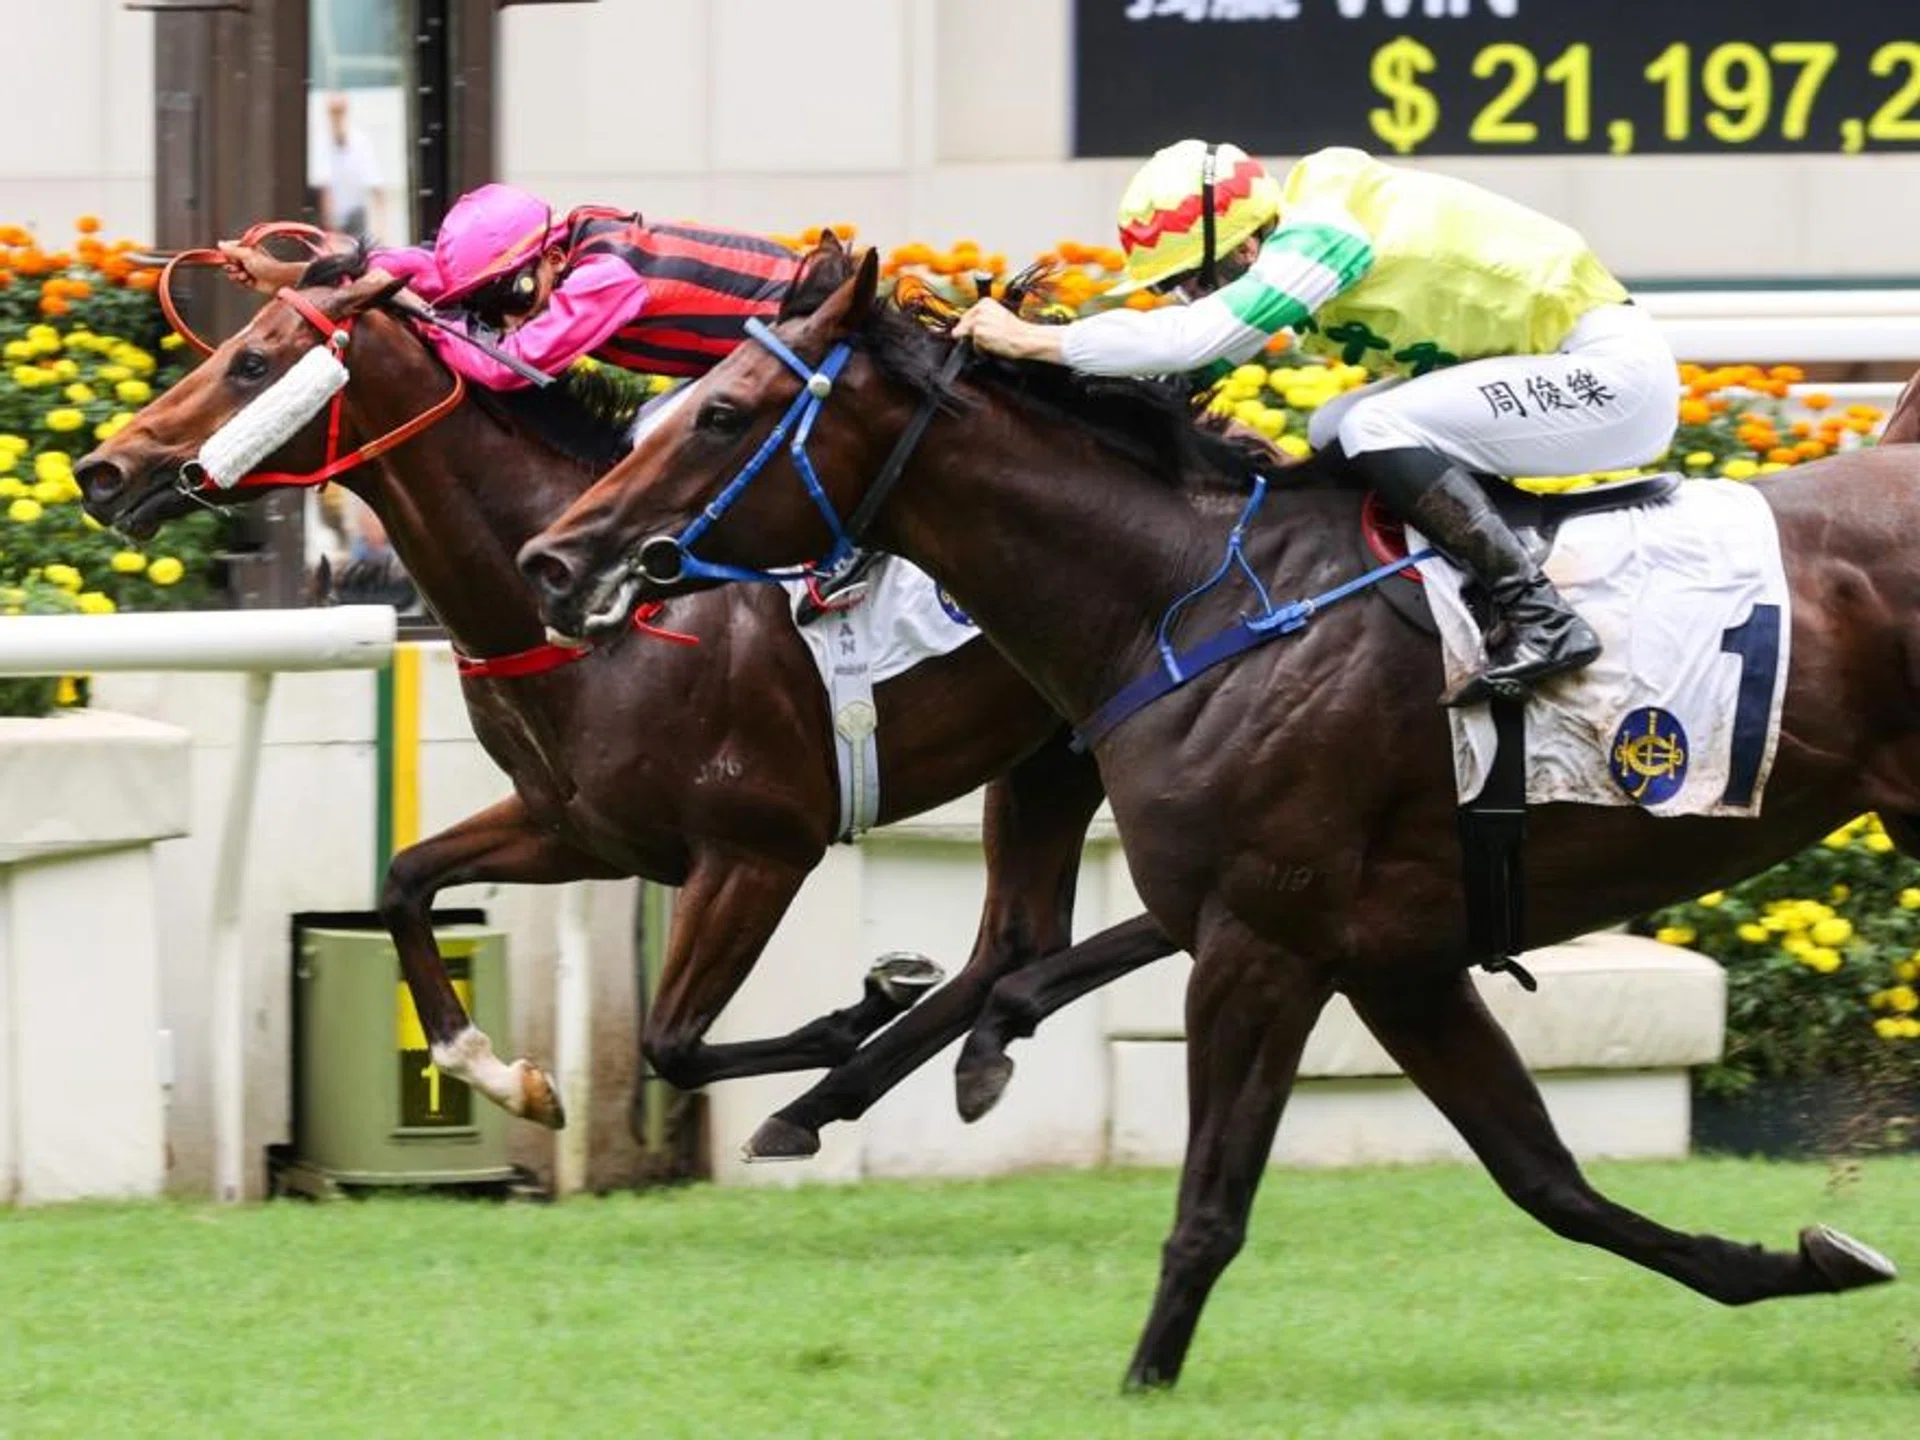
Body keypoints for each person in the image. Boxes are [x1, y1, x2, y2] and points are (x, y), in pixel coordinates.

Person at [954, 141, 1680, 707]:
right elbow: (1194, 359)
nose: (1182, 297)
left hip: (1612, 380)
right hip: (1564, 369)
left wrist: (1035, 341)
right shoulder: (1290, 234)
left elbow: (1196, 339)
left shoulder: (1324, 233)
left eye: (1188, 279)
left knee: (1375, 427)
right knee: (1338, 422)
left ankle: (1542, 615)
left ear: (1242, 248)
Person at [218, 182, 800, 392]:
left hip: (813, 358)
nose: (510, 315)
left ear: (550, 256)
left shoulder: (606, 275)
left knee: (655, 451)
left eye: (512, 297)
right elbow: (410, 267)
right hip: (755, 366)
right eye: (492, 301)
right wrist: (286, 275)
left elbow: (507, 366)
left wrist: (428, 320)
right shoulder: (552, 253)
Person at [315, 93, 387, 243]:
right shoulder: (321, 143)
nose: (336, 116)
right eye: (333, 111)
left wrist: (381, 228)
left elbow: (375, 185)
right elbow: (323, 187)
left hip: (355, 215)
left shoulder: (360, 142)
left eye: (340, 111)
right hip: (330, 219)